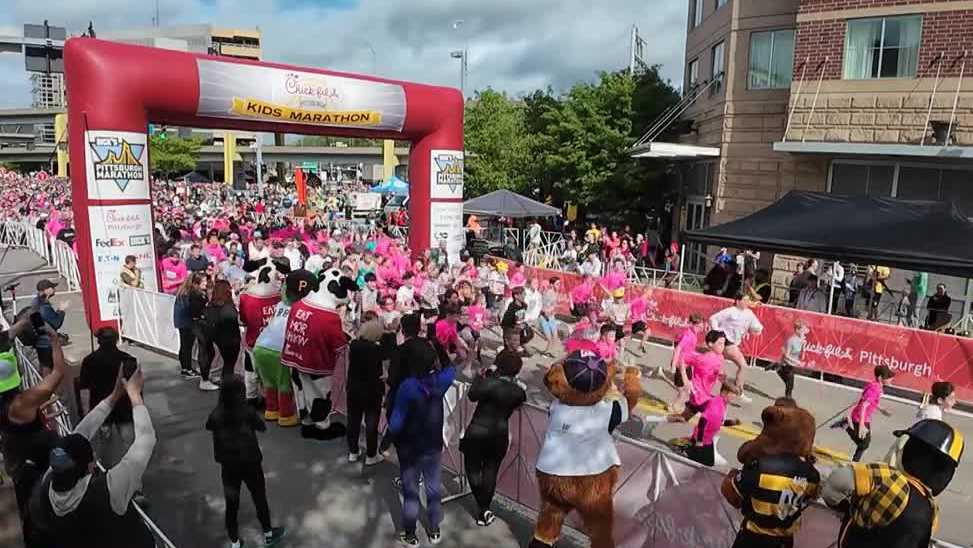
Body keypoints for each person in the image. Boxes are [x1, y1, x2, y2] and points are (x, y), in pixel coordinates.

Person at [28, 367, 156, 548]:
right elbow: (146, 439)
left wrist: (114, 397)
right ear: (90, 466)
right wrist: (135, 395)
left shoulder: (49, 480)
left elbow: (81, 433)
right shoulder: (110, 489)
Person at [387, 334, 456, 547]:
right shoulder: (441, 380)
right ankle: (434, 528)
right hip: (432, 446)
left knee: (410, 491)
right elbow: (451, 366)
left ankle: (410, 534)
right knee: (433, 487)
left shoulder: (407, 387)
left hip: (409, 447)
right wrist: (437, 346)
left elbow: (396, 424)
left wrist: (391, 440)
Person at [0, 318, 64, 545]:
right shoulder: (23, 402)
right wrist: (55, 340)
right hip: (41, 468)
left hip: (18, 466)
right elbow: (57, 373)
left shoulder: (13, 406)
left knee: (28, 515)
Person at [205, 375, 286, 548]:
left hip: (228, 466)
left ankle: (235, 541)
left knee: (232, 503)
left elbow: (208, 426)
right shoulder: (247, 411)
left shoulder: (216, 414)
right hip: (251, 462)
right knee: (259, 497)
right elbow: (262, 427)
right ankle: (268, 534)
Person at [461, 349, 526, 526]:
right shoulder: (518, 392)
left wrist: (483, 376)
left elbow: (472, 395)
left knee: (472, 467)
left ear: (498, 365)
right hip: (499, 435)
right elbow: (520, 401)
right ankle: (484, 510)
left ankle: (483, 507)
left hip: (478, 432)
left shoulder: (489, 383)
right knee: (491, 471)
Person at [78, 328, 138, 470]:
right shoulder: (129, 359)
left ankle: (107, 472)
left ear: (98, 341)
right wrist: (139, 407)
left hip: (102, 410)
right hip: (124, 408)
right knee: (129, 442)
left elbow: (84, 389)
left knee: (105, 445)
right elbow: (136, 387)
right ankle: (132, 471)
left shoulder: (89, 361)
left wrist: (87, 413)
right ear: (116, 340)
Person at [832, 365, 895, 462]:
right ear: (880, 378)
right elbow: (864, 405)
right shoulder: (875, 389)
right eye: (888, 377)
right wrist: (861, 425)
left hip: (863, 417)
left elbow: (870, 402)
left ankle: (854, 462)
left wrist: (881, 409)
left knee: (864, 443)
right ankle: (846, 425)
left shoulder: (875, 386)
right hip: (860, 417)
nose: (891, 379)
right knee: (864, 443)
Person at [709, 294, 763, 403]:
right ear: (738, 301)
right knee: (742, 365)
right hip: (727, 342)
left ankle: (726, 393)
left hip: (731, 344)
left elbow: (757, 327)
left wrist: (756, 330)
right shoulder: (730, 311)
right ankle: (738, 392)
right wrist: (717, 333)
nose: (747, 302)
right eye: (745, 300)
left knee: (718, 369)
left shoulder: (749, 313)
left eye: (748, 300)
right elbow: (713, 318)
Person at [345, 320, 386, 466]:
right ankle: (371, 455)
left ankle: (353, 452)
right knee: (371, 423)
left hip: (354, 388)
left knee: (353, 421)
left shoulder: (354, 346)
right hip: (372, 390)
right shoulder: (377, 350)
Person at [681, 382, 741, 467]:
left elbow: (720, 422)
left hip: (708, 440)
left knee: (708, 462)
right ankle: (687, 449)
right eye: (732, 395)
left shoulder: (723, 404)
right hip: (702, 440)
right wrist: (699, 441)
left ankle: (689, 449)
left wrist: (732, 422)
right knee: (698, 464)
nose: (733, 399)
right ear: (724, 392)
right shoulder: (716, 403)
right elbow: (703, 421)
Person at [204, 279, 242, 384]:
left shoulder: (211, 306)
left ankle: (225, 380)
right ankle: (227, 384)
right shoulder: (228, 308)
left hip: (219, 339)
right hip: (230, 340)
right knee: (230, 363)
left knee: (227, 363)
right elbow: (237, 320)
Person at [763, 319, 809, 399]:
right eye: (802, 330)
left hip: (791, 365)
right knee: (790, 384)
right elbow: (786, 356)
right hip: (785, 364)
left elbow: (802, 357)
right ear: (797, 330)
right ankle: (788, 399)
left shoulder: (801, 341)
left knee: (789, 384)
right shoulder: (791, 340)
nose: (804, 332)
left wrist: (804, 347)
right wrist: (797, 362)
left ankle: (776, 366)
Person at [31, 279, 68, 373]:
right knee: (48, 368)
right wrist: (62, 310)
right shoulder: (44, 307)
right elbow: (56, 323)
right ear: (46, 290)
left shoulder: (36, 302)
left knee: (44, 365)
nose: (54, 289)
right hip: (47, 343)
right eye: (52, 287)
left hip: (39, 340)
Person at [173, 273, 206, 380]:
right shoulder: (192, 294)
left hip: (180, 322)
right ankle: (187, 369)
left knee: (184, 346)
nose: (206, 283)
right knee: (187, 346)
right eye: (203, 281)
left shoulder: (182, 291)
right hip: (187, 322)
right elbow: (194, 310)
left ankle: (185, 368)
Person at [500, 286, 528, 357]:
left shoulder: (524, 305)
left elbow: (521, 318)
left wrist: (522, 324)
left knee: (529, 333)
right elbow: (506, 322)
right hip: (509, 329)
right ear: (516, 296)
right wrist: (516, 326)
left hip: (517, 328)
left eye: (524, 294)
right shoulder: (512, 307)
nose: (524, 296)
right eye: (523, 294)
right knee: (510, 349)